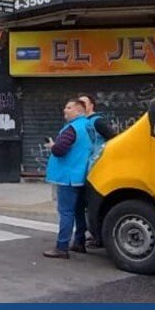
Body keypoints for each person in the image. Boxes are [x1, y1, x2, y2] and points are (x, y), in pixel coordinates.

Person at [43, 99, 94, 259]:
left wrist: (52, 146)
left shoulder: (72, 129)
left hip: (68, 177)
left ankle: (61, 247)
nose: (65, 110)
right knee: (79, 210)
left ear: (78, 111)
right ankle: (79, 242)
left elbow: (60, 150)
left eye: (69, 107)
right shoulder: (88, 126)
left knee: (66, 212)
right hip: (82, 175)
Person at [77, 94, 119, 249]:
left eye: (84, 102)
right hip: (85, 168)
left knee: (94, 203)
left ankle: (98, 237)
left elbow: (114, 138)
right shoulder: (81, 122)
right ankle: (92, 234)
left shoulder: (97, 121)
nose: (80, 105)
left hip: (97, 168)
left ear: (91, 105)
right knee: (86, 204)